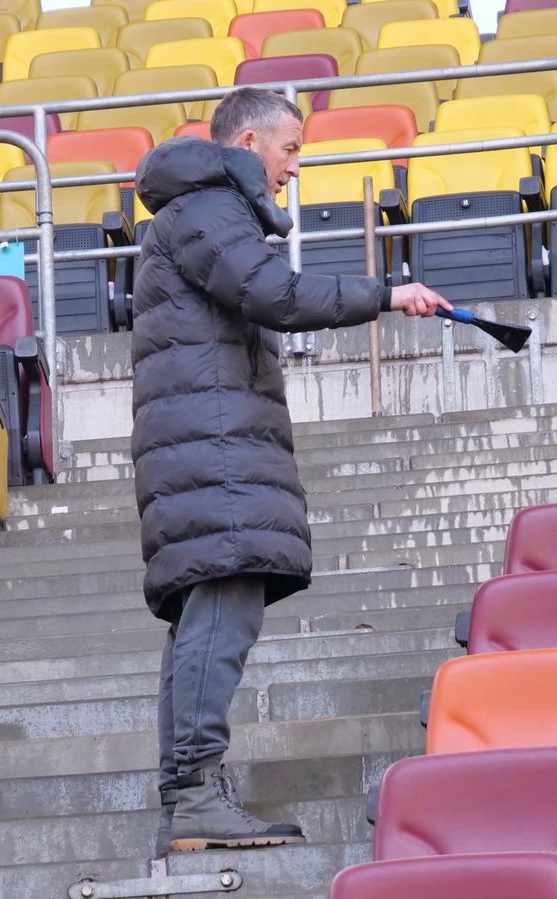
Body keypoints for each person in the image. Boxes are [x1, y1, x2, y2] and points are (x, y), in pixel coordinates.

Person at [131, 87, 451, 856]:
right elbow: (274, 293)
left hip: (209, 446)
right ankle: (196, 793)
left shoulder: (200, 212)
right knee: (221, 609)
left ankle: (193, 792)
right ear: (249, 141)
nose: (294, 169)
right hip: (213, 451)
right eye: (291, 149)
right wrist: (386, 293)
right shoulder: (208, 210)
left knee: (205, 618)